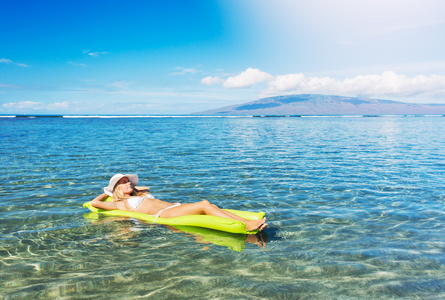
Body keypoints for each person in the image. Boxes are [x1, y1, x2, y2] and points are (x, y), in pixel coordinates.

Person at [91, 174, 267, 231]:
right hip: (164, 215)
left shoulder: (139, 193)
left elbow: (147, 188)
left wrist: (132, 189)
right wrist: (108, 192)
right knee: (205, 204)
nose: (129, 182)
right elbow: (95, 203)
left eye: (129, 180)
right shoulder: (119, 204)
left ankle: (246, 224)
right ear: (116, 188)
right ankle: (247, 224)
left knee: (210, 206)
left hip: (174, 207)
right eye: (124, 182)